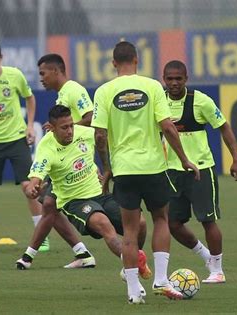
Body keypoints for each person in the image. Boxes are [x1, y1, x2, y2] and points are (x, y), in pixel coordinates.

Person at [0, 40, 89, 262]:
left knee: (33, 188)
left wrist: (30, 125)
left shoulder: (15, 76)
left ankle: (44, 238)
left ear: (1, 57)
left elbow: (30, 98)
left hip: (17, 139)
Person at [91, 41, 201, 304]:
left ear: (114, 63)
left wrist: (107, 168)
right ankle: (161, 280)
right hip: (153, 167)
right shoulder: (152, 86)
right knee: (161, 220)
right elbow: (167, 127)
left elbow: (99, 136)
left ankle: (132, 291)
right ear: (137, 60)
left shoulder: (104, 91)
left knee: (129, 231)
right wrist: (184, 158)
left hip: (125, 170)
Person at [17, 106, 152, 296]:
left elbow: (102, 137)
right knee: (105, 224)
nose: (70, 131)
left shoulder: (84, 133)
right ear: (52, 128)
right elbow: (36, 176)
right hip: (75, 202)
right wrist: (32, 187)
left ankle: (131, 262)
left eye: (71, 125)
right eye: (64, 127)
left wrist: (106, 167)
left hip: (100, 194)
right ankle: (133, 275)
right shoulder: (46, 148)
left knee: (141, 223)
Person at [162, 60, 237, 284]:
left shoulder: (200, 101)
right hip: (170, 171)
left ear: (186, 79)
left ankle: (217, 270)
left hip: (201, 169)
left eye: (179, 78)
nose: (174, 83)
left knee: (207, 220)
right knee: (172, 224)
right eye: (170, 79)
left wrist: (236, 158)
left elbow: (224, 127)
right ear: (164, 79)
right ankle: (206, 255)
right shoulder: (158, 101)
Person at [20, 53, 97, 268]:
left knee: (49, 206)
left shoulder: (74, 90)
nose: (41, 78)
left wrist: (65, 129)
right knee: (49, 206)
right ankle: (81, 254)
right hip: (65, 162)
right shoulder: (62, 94)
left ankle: (28, 257)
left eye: (43, 73)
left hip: (74, 163)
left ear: (56, 71)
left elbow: (91, 118)